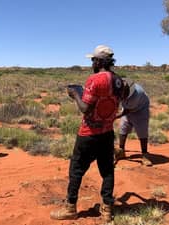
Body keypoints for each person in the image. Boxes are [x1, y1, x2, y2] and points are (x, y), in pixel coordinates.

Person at [50, 45, 121, 223]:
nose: (91, 63)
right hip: (107, 132)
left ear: (98, 61)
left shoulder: (94, 80)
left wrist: (75, 94)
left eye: (92, 60)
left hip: (89, 133)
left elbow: (86, 109)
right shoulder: (119, 80)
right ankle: (106, 210)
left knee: (76, 169)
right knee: (107, 171)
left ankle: (70, 208)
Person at [114, 81, 152, 166]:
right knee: (123, 127)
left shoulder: (136, 95)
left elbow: (126, 111)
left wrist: (113, 117)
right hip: (128, 108)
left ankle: (145, 155)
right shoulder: (119, 89)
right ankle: (121, 152)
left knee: (142, 131)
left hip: (140, 110)